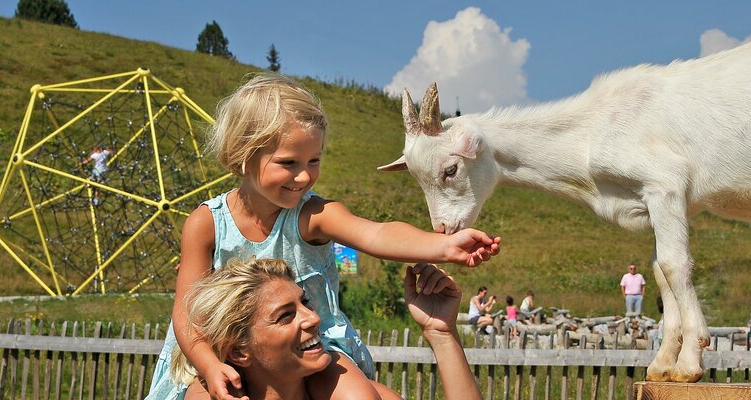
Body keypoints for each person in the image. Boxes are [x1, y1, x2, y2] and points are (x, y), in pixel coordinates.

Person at [147, 74, 501, 400]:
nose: (304, 177)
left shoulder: (311, 214)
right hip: (221, 348)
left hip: (316, 346)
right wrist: (207, 364)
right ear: (243, 155)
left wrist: (442, 245)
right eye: (289, 163)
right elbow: (187, 311)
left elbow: (375, 233)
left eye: (313, 161)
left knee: (360, 396)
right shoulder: (205, 223)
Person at [170, 259, 481, 400]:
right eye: (285, 316)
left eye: (305, 303)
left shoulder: (356, 393)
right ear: (239, 350)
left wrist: (442, 335)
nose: (313, 319)